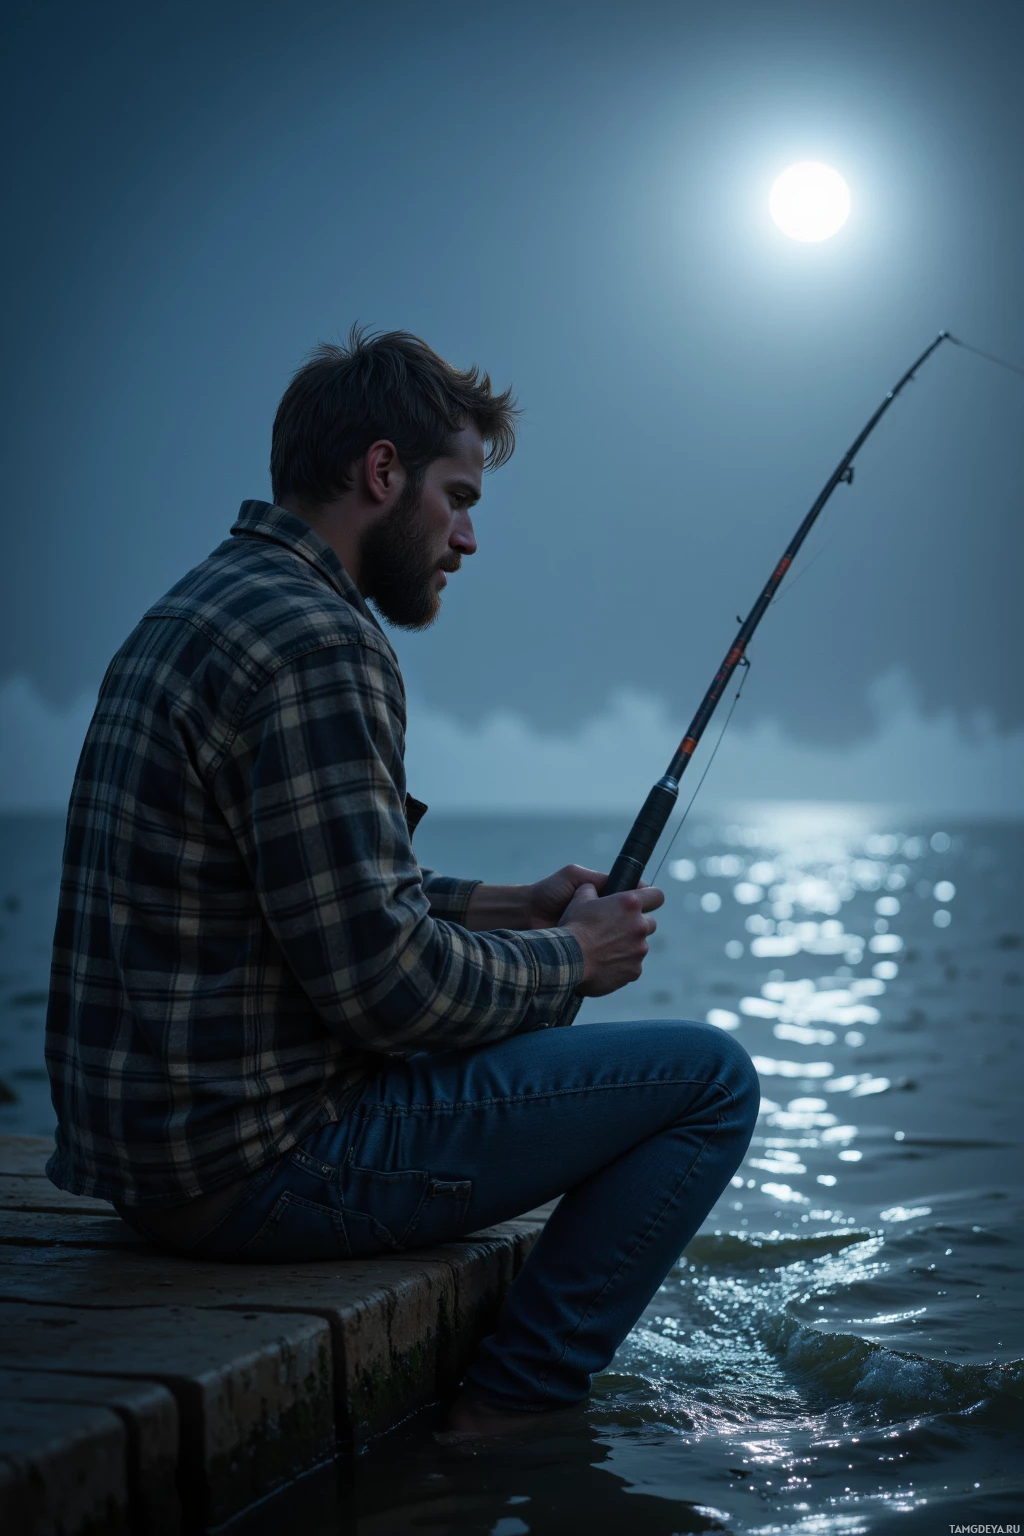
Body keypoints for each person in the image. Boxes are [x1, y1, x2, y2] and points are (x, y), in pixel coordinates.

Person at [44, 327, 759, 1437]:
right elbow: (386, 989)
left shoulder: (200, 607)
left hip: (157, 1161)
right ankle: (511, 1414)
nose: (467, 537)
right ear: (382, 473)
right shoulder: (324, 642)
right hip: (256, 1172)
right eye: (457, 496)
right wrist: (573, 957)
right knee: (709, 1079)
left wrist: (507, 907)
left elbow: (316, 891)